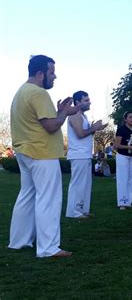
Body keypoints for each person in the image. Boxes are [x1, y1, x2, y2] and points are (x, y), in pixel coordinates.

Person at [8, 55, 80, 257]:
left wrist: (59, 111)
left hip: (25, 152)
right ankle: (48, 248)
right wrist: (64, 113)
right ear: (40, 74)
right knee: (48, 199)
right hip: (42, 153)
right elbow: (51, 126)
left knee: (27, 196)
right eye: (51, 72)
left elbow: (42, 121)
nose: (55, 76)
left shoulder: (21, 91)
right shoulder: (38, 93)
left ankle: (18, 241)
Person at [66, 90, 107, 218]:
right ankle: (74, 212)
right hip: (78, 155)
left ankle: (83, 210)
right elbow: (80, 133)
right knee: (78, 184)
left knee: (85, 184)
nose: (89, 102)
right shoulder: (74, 115)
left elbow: (86, 134)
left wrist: (96, 129)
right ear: (77, 102)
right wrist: (94, 127)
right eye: (86, 100)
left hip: (85, 154)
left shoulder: (83, 116)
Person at [114, 111, 132, 210]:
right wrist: (129, 146)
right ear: (125, 119)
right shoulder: (121, 130)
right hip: (122, 156)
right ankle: (122, 202)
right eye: (130, 117)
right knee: (122, 179)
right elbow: (116, 145)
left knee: (131, 180)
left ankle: (129, 201)